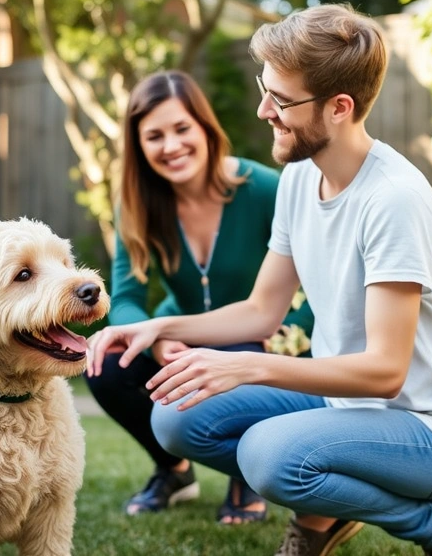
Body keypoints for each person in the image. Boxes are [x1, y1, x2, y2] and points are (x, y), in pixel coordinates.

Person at [88, 4, 432, 556]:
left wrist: (244, 365)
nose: (262, 111)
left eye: (280, 100)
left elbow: (385, 372)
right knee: (177, 420)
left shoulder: (392, 201)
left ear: (339, 108)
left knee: (268, 456)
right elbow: (261, 311)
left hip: (431, 431)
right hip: (340, 408)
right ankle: (324, 507)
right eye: (265, 90)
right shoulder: (302, 178)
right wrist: (157, 326)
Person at [85, 69, 314, 522]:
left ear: (206, 129)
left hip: (256, 334)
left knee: (248, 348)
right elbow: (126, 296)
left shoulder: (267, 189)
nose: (171, 146)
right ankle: (173, 470)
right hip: (179, 337)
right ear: (139, 145)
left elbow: (318, 282)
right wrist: (156, 340)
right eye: (154, 136)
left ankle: (245, 475)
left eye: (181, 128)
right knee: (108, 365)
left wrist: (291, 333)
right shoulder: (136, 205)